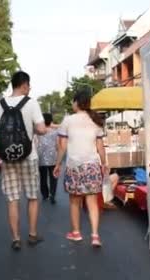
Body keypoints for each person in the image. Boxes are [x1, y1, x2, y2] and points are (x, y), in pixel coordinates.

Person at [0, 71, 47, 250]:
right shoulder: (31, 103)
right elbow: (42, 129)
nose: (29, 89)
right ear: (23, 85)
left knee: (12, 199)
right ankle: (32, 235)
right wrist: (32, 131)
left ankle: (15, 239)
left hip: (7, 157)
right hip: (28, 156)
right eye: (28, 86)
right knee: (32, 197)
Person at [54, 90, 108, 248]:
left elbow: (62, 146)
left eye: (72, 101)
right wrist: (104, 164)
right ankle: (95, 236)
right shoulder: (95, 121)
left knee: (74, 201)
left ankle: (76, 233)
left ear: (76, 102)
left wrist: (57, 164)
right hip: (92, 165)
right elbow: (100, 146)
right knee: (92, 201)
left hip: (74, 166)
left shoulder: (68, 121)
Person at [37, 113, 58, 203]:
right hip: (53, 157)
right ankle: (52, 194)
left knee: (43, 177)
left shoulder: (39, 132)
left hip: (41, 157)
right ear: (51, 121)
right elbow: (57, 145)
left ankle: (45, 195)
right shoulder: (55, 132)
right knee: (53, 177)